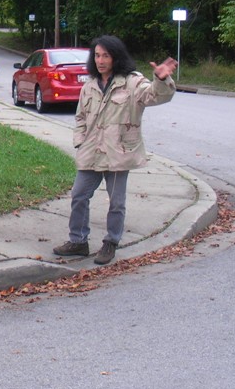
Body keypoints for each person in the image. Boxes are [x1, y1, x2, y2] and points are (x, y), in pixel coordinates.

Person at [53, 35, 177, 265]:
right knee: (79, 195)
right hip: (91, 150)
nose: (100, 61)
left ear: (116, 57)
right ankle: (78, 241)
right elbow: (80, 116)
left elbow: (155, 95)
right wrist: (80, 140)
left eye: (106, 56)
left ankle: (111, 242)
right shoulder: (90, 85)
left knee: (116, 202)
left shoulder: (132, 82)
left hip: (119, 152)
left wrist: (161, 79)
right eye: (97, 55)